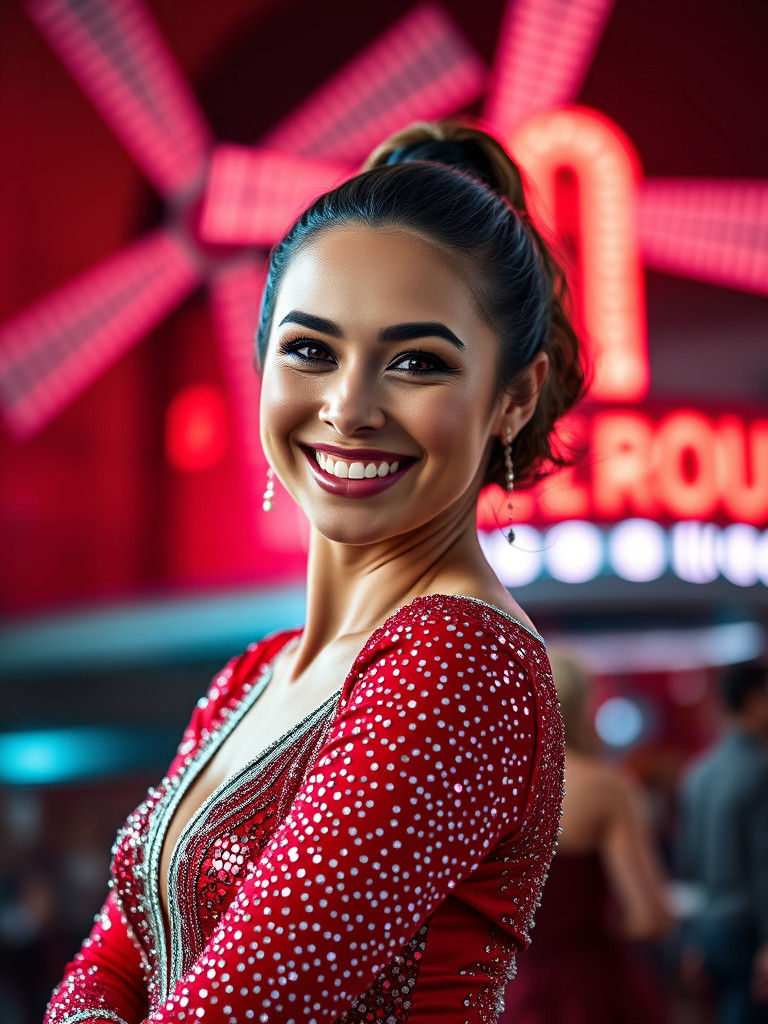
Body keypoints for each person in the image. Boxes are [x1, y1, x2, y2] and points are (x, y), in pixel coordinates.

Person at [43, 117, 588, 1024]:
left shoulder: (461, 664)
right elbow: (106, 967)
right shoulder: (251, 677)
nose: (349, 407)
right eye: (310, 349)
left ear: (514, 397)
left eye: (416, 362)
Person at [499, 648, 676, 1024]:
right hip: (589, 986)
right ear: (583, 707)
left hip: (506, 993)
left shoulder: (482, 790)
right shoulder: (607, 788)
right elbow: (651, 917)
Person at [675, 658, 768, 1024]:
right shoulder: (760, 771)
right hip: (750, 931)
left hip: (711, 929)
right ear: (754, 699)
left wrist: (692, 939)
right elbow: (764, 864)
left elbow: (689, 864)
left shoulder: (697, 773)